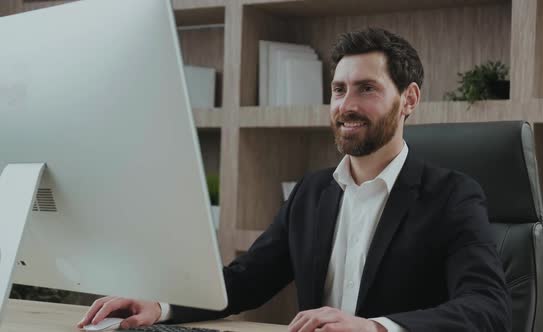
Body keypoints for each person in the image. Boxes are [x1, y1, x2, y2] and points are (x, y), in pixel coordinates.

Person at [77, 28, 511, 332]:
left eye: (367, 89)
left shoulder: (452, 196)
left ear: (409, 99)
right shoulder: (312, 192)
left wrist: (375, 328)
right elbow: (246, 281)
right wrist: (161, 306)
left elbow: (488, 309)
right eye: (338, 90)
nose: (346, 105)